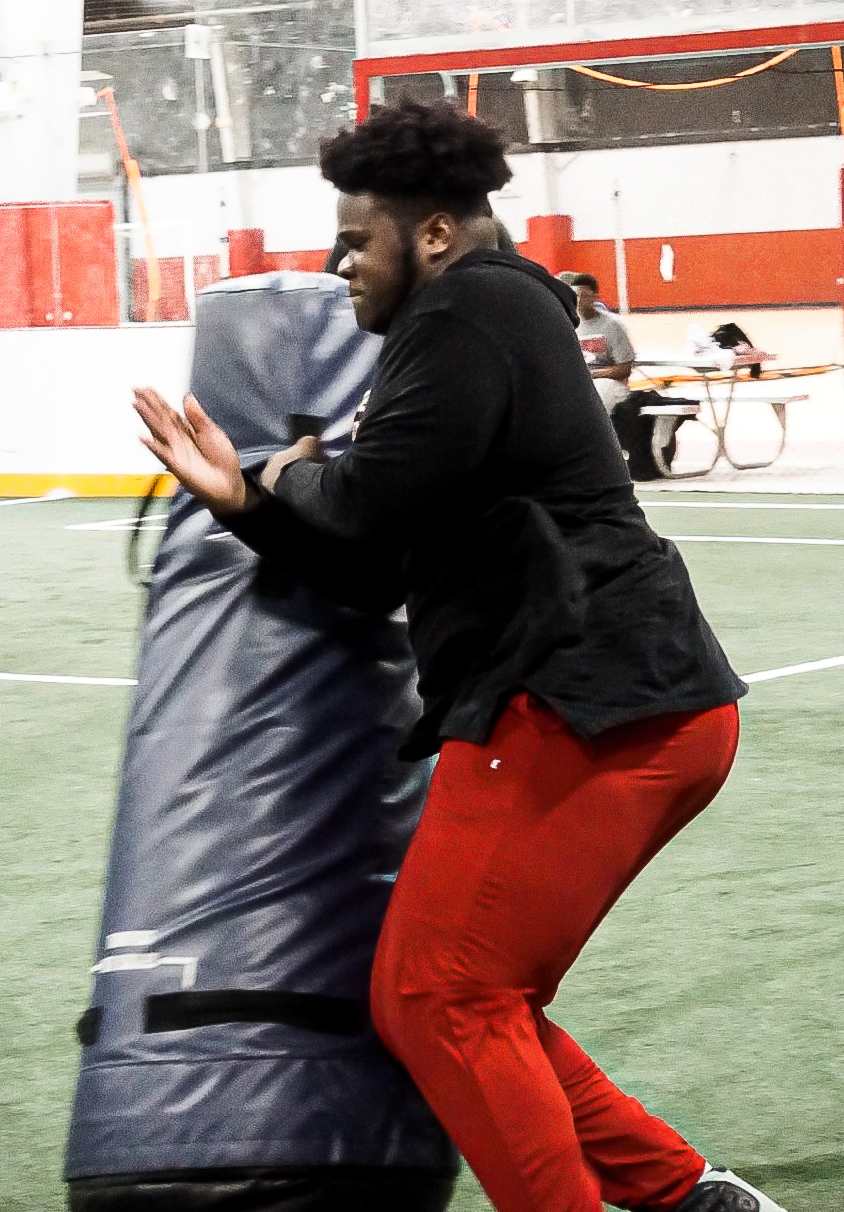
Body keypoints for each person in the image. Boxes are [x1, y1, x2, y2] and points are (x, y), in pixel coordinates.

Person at [134, 98, 788, 1212]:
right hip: (617, 701)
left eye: (357, 239)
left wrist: (286, 468)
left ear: (432, 232)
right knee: (463, 997)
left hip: (586, 702)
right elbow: (374, 566)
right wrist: (247, 501)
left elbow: (361, 497)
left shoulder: (472, 308)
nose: (340, 264)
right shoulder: (479, 319)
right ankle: (691, 1197)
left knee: (443, 995)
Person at [558, 271, 635, 413]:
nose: (580, 301)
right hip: (579, 383)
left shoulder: (612, 326)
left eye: (584, 296)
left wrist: (593, 374)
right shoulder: (566, 327)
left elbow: (624, 368)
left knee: (595, 396)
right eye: (576, 296)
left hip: (609, 384)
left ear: (595, 297)